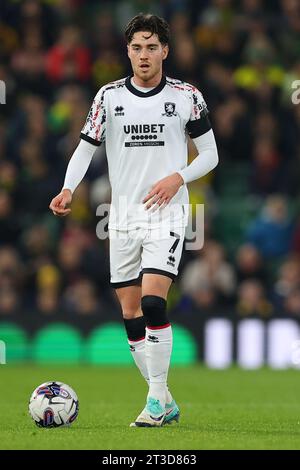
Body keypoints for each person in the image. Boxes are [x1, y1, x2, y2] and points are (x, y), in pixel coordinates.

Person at [49, 13, 219, 427]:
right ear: (128, 52)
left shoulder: (186, 96)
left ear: (165, 51)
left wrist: (178, 175)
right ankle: (164, 398)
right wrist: (69, 187)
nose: (144, 55)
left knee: (152, 300)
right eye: (136, 47)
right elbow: (86, 148)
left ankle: (155, 404)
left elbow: (211, 154)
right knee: (130, 313)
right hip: (120, 217)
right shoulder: (108, 97)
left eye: (151, 47)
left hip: (168, 214)